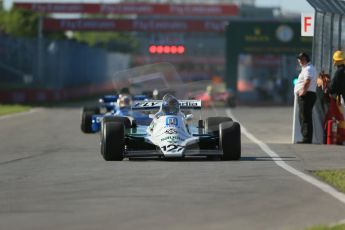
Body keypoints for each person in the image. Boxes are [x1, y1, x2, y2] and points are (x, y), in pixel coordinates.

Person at [294, 52, 317, 144]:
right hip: (307, 94)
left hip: (306, 95)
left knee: (305, 117)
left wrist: (303, 91)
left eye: (301, 59)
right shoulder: (306, 68)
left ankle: (307, 138)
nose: (299, 61)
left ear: (305, 59)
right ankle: (306, 137)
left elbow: (307, 80)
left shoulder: (308, 68)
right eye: (299, 59)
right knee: (304, 116)